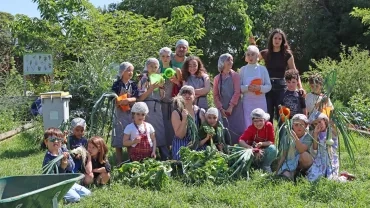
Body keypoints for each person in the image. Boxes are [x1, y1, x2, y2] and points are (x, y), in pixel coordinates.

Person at [257, 29, 304, 124]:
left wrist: (301, 87)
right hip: (267, 87)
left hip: (282, 88)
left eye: (279, 38)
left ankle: (283, 139)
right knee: (267, 116)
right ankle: (269, 139)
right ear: (271, 39)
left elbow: (294, 72)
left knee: (282, 117)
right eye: (275, 38)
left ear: (282, 41)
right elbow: (251, 60)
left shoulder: (287, 54)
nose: (277, 40)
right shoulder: (265, 53)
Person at [42, 127, 91, 203]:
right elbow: (51, 180)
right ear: (46, 142)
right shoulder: (48, 160)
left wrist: (67, 163)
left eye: (59, 139)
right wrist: (62, 167)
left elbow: (72, 166)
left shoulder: (63, 150)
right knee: (76, 198)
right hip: (57, 186)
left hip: (68, 182)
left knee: (88, 193)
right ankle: (58, 195)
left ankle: (69, 191)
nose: (56, 141)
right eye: (52, 139)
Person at [307, 112, 354, 182]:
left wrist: (333, 121)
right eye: (315, 124)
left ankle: (344, 176)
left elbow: (337, 132)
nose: (318, 125)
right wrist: (315, 134)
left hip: (331, 159)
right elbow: (315, 150)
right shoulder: (315, 133)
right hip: (320, 160)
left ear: (325, 120)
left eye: (320, 122)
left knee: (331, 180)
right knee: (313, 179)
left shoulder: (331, 131)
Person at [138, 58, 169, 160]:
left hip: (158, 107)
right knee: (147, 132)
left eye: (156, 67)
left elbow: (162, 97)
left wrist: (161, 88)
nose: (153, 68)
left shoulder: (159, 78)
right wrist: (150, 89)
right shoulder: (143, 79)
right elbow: (140, 98)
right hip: (147, 108)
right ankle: (147, 156)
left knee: (160, 130)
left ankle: (165, 157)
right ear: (147, 66)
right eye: (151, 66)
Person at [213, 53, 245, 144]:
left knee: (237, 129)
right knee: (225, 129)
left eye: (231, 60)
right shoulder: (217, 78)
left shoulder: (235, 76)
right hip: (223, 109)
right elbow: (215, 95)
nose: (230, 62)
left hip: (235, 108)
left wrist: (231, 107)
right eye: (228, 60)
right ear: (222, 62)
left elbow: (237, 92)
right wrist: (220, 108)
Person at [111, 62, 139, 165]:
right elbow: (112, 97)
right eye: (128, 70)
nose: (130, 72)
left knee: (129, 136)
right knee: (119, 137)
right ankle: (119, 162)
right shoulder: (117, 84)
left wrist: (129, 99)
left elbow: (136, 97)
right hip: (119, 113)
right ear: (122, 72)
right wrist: (119, 101)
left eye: (132, 70)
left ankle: (130, 160)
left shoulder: (133, 84)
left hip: (130, 113)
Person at [240, 45, 271, 128]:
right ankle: (249, 140)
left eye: (253, 54)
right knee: (248, 122)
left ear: (257, 56)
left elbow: (269, 86)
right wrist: (247, 88)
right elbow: (239, 87)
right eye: (248, 54)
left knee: (261, 121)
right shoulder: (243, 69)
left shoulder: (262, 69)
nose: (250, 57)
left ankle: (262, 140)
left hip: (260, 101)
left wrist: (260, 88)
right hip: (247, 102)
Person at [171, 85, 205, 160]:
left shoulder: (200, 111)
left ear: (194, 96)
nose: (187, 96)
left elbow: (203, 132)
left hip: (197, 143)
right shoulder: (176, 113)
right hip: (182, 144)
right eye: (184, 94)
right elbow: (180, 135)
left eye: (190, 93)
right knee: (182, 160)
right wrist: (184, 119)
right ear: (180, 97)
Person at [238, 108, 277, 173]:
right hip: (254, 151)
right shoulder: (251, 128)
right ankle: (254, 166)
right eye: (255, 121)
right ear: (252, 121)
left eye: (260, 120)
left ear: (264, 120)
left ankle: (266, 165)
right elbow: (241, 140)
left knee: (273, 149)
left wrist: (262, 143)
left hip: (266, 149)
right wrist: (251, 148)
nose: (258, 123)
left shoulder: (269, 126)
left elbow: (271, 141)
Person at [277, 114, 313, 180]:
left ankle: (303, 172)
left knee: (304, 155)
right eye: (296, 125)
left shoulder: (308, 137)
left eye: (301, 125)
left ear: (306, 125)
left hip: (303, 162)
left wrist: (295, 137)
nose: (299, 127)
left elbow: (301, 150)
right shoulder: (287, 138)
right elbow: (284, 155)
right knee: (285, 177)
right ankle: (293, 174)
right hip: (291, 162)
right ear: (292, 126)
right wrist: (277, 171)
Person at [159, 47, 182, 151]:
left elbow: (182, 86)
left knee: (175, 125)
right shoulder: (157, 71)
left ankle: (176, 148)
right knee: (163, 126)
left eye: (167, 56)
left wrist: (176, 81)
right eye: (163, 56)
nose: (165, 58)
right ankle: (165, 152)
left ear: (171, 57)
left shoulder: (176, 70)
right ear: (160, 57)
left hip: (174, 102)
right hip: (161, 102)